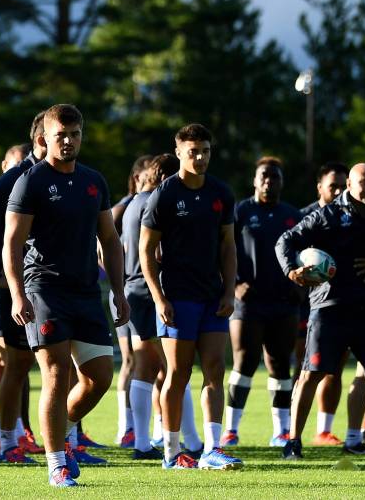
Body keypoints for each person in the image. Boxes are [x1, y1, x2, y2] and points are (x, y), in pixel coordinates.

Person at [4, 104, 128, 488]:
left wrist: (119, 292)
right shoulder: (31, 181)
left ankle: (63, 429)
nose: (69, 141)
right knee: (56, 374)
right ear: (44, 139)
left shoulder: (94, 181)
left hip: (87, 292)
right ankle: (57, 462)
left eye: (75, 135)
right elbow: (12, 242)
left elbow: (109, 238)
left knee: (100, 377)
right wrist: (17, 294)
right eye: (62, 135)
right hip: (44, 289)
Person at [276, 163, 365, 462]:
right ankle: (293, 442)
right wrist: (292, 271)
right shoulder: (328, 215)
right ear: (349, 186)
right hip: (330, 308)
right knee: (311, 374)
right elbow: (286, 241)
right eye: (363, 181)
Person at [140, 124, 242, 472]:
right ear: (179, 151)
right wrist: (158, 298)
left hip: (213, 297)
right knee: (178, 373)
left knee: (215, 368)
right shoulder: (165, 195)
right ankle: (171, 453)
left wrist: (229, 290)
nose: (200, 157)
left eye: (206, 151)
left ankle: (213, 449)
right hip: (177, 298)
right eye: (193, 151)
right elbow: (145, 248)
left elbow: (229, 246)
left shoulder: (221, 193)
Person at [0, 116, 47, 464]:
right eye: (60, 134)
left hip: (56, 286)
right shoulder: (21, 174)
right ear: (41, 139)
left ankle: (58, 440)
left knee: (41, 363)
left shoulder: (65, 176)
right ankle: (6, 442)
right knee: (15, 363)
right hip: (21, 288)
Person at [226, 156, 302, 448]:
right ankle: (231, 430)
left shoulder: (292, 215)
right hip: (249, 302)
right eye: (264, 176)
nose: (269, 181)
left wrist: (302, 285)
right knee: (244, 360)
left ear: (282, 182)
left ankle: (281, 431)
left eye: (275, 177)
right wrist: (233, 286)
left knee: (280, 363)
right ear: (255, 180)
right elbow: (221, 250)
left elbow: (305, 252)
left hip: (284, 301)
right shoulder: (240, 211)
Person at [120, 153, 180, 461]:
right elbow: (156, 252)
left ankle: (147, 439)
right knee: (163, 365)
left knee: (151, 365)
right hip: (148, 290)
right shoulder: (155, 203)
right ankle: (146, 442)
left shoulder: (132, 202)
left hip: (133, 288)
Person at [112, 155, 154, 449]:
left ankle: (149, 428)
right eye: (143, 177)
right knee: (132, 360)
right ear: (136, 178)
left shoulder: (148, 204)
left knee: (146, 361)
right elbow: (104, 243)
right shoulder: (126, 207)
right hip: (131, 289)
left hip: (137, 289)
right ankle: (126, 426)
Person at [310, 162, 349, 445]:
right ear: (320, 187)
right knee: (308, 371)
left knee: (334, 369)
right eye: (331, 185)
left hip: (340, 303)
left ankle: (324, 429)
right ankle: (288, 432)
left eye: (341, 185)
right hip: (307, 306)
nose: (337, 191)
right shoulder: (305, 219)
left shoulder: (350, 217)